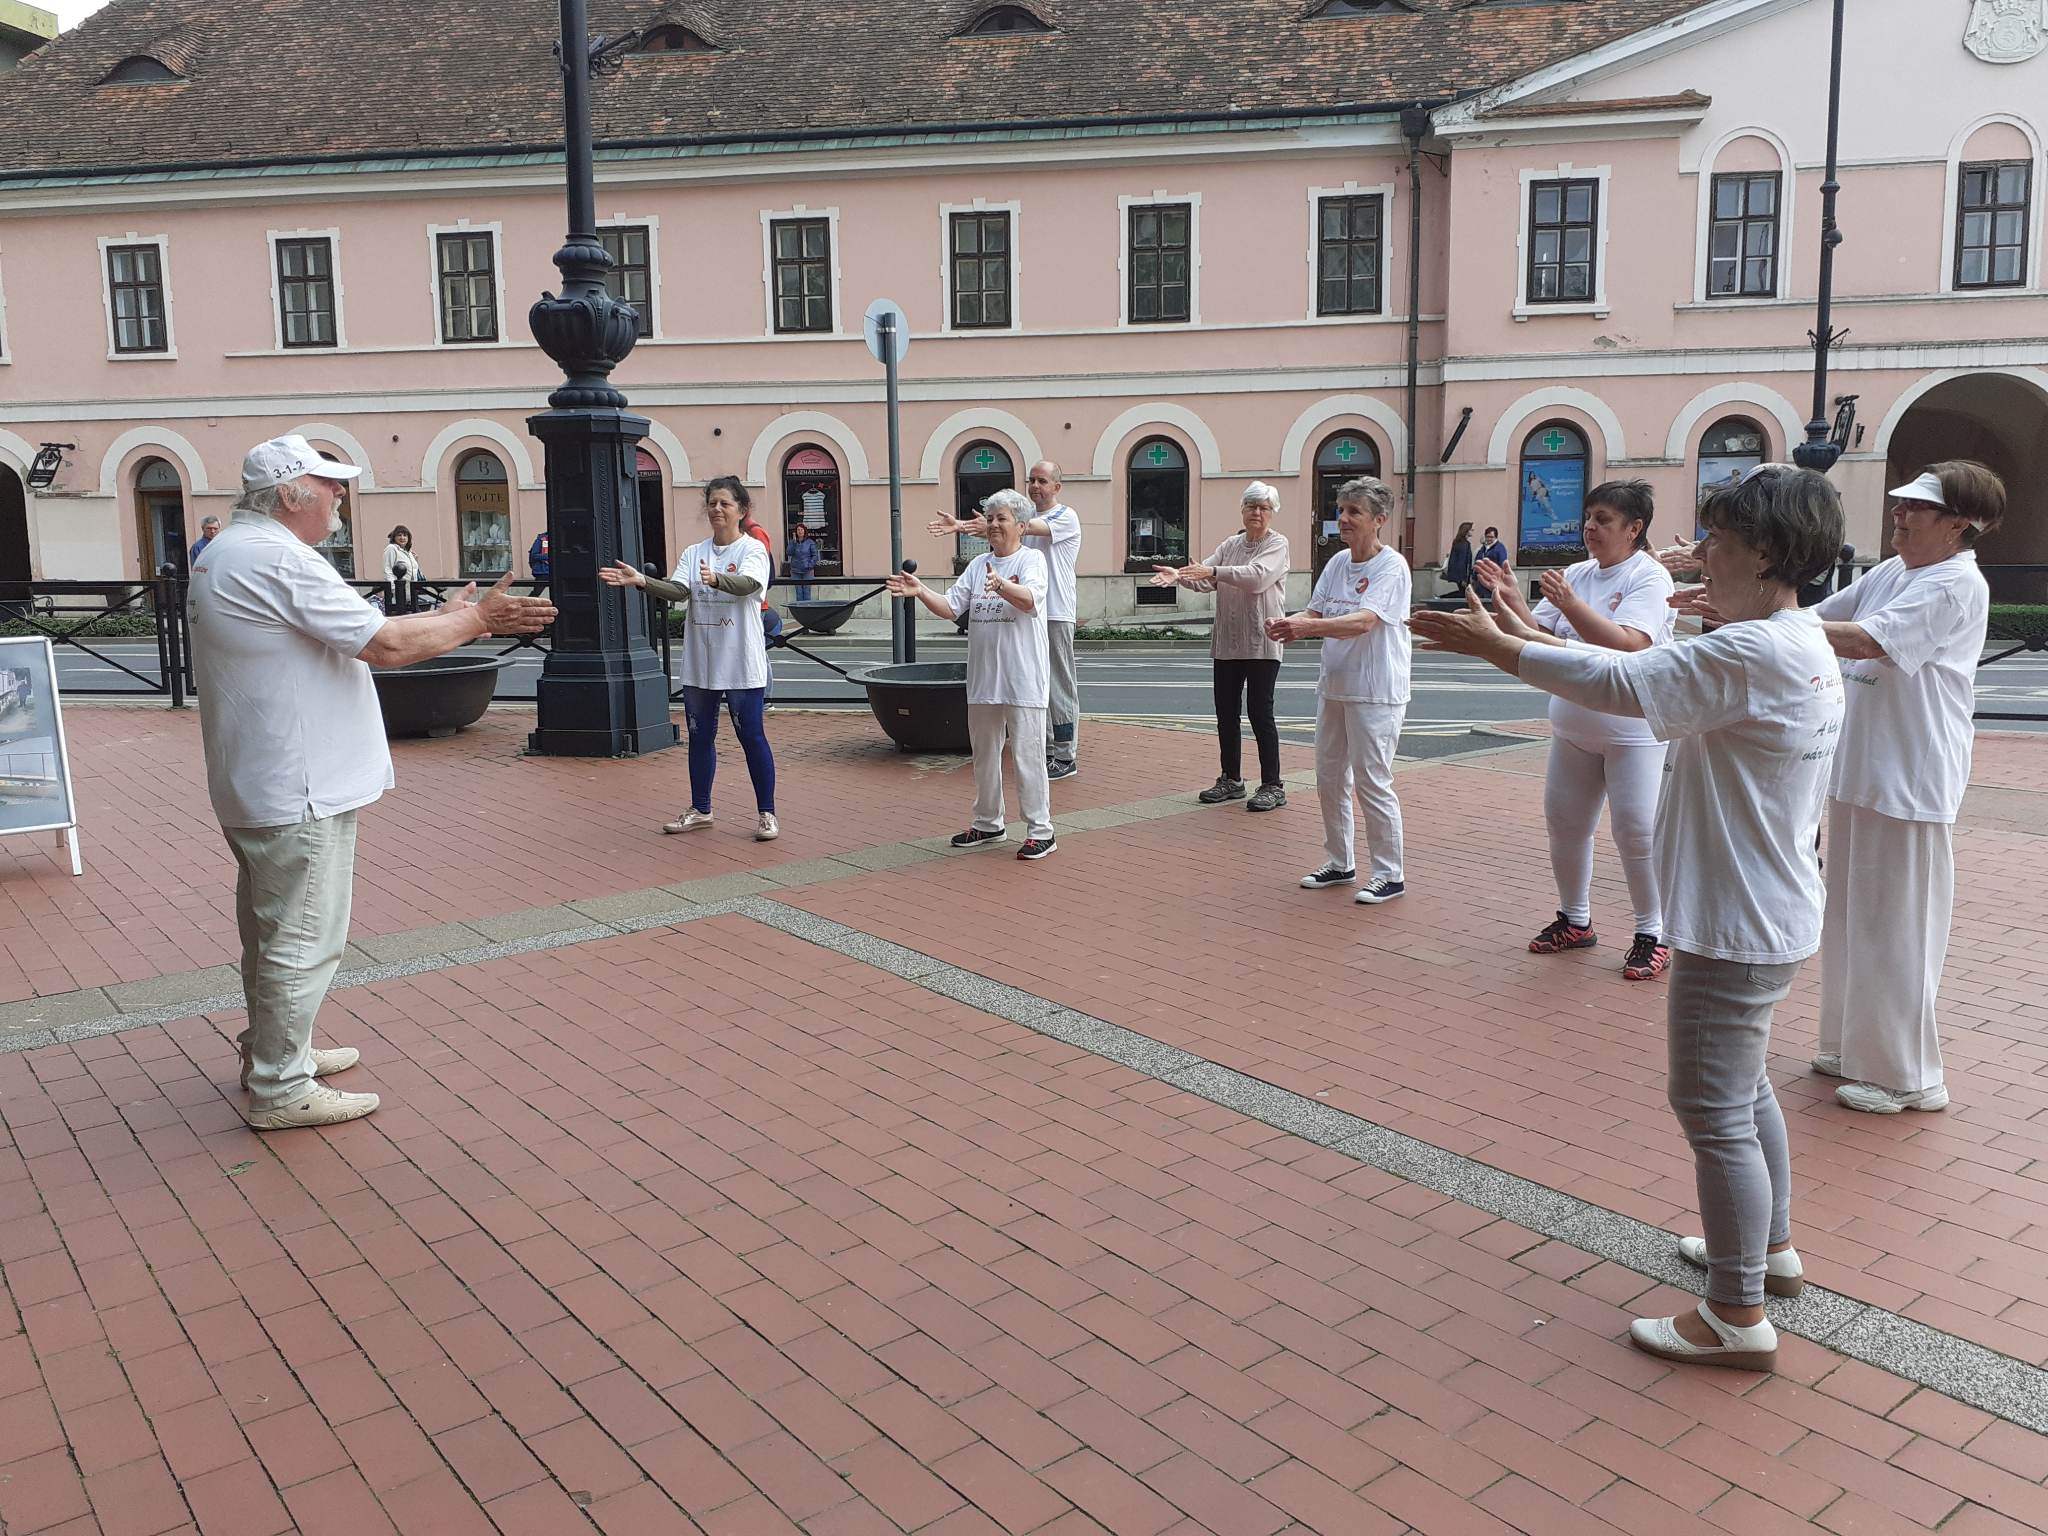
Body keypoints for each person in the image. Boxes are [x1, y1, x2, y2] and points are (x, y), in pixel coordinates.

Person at [1414, 464, 1844, 1373]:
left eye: (1718, 540)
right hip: (1768, 907)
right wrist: (1519, 632)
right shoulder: (1792, 638)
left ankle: (1735, 1313)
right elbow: (1626, 669)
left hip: (1737, 917)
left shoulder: (1752, 651)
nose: (1700, 555)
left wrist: (1495, 645)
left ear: (1766, 552)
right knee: (1744, 1091)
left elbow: (1621, 681)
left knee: (1712, 1106)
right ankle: (1768, 1252)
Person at [188, 436, 556, 1130]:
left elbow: (363, 629)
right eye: (328, 483)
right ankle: (280, 1086)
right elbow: (384, 646)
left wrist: (449, 618)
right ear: (290, 494)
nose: (340, 494)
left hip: (264, 780)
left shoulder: (231, 551)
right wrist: (477, 619)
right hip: (300, 785)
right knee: (302, 939)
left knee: (272, 934)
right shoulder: (278, 558)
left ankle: (273, 1051)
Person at [1813, 464, 2001, 1114]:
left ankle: (1910, 1076)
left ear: (1958, 524)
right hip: (1862, 769)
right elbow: (1819, 617)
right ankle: (1852, 1047)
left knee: (1901, 926)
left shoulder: (1955, 583)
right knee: (1851, 917)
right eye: (1901, 504)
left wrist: (1769, 624)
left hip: (1912, 775)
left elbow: (1867, 641)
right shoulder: (1896, 570)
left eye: (1917, 508)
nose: (1900, 514)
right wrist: (1737, 604)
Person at [1475, 481, 1677, 981]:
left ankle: (1653, 932)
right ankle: (1575, 919)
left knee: (1636, 831)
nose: (1590, 527)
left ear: (1634, 528)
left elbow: (1628, 645)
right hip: (1572, 723)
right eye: (1588, 517)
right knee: (1565, 822)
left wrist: (1569, 605)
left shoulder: (1650, 578)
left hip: (1633, 729)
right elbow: (1538, 637)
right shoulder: (1578, 574)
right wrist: (1510, 600)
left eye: (1604, 519)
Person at [601, 476, 778, 840]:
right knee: (699, 736)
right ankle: (701, 809)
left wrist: (717, 580)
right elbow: (679, 590)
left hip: (740, 661)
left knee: (751, 736)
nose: (717, 509)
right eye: (712, 503)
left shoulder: (753, 550)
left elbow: (750, 585)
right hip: (701, 662)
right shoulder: (694, 552)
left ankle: (767, 814)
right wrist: (642, 581)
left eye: (725, 503)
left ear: (741, 510)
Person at [891, 489, 1055, 860]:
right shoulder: (979, 564)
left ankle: (1040, 830)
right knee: (983, 755)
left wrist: (1003, 586)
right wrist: (921, 591)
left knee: (1027, 754)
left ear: (1021, 526)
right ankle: (988, 823)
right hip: (983, 679)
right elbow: (951, 607)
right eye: (990, 518)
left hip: (1022, 677)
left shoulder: (1032, 560)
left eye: (1001, 518)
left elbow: (1030, 599)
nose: (993, 525)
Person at [1272, 476, 1410, 904]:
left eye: (1354, 512)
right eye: (1341, 510)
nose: (1344, 519)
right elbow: (1315, 611)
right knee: (1329, 778)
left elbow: (1364, 621)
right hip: (1334, 686)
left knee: (1372, 782)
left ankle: (1389, 873)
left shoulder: (1392, 566)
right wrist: (1288, 622)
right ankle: (1340, 861)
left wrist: (1305, 628)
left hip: (1375, 689)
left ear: (1379, 519)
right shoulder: (1336, 563)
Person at [929, 461, 1082, 780]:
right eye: (1031, 480)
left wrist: (969, 524)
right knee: (1034, 683)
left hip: (1054, 611)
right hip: (1021, 613)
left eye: (1042, 481)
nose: (1035, 485)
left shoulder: (1064, 517)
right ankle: (1045, 749)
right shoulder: (1018, 521)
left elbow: (1027, 527)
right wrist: (967, 525)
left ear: (1057, 487)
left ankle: (1065, 754)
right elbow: (1007, 528)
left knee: (1057, 683)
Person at [1152, 481, 1291, 812]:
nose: (1257, 512)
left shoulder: (1278, 544)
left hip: (1261, 642)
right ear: (1242, 510)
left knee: (1260, 713)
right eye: (1251, 506)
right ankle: (1231, 779)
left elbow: (1256, 577)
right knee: (1226, 713)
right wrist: (1179, 576)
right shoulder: (1231, 544)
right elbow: (1205, 579)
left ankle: (1272, 785)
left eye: (1264, 508)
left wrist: (1212, 571)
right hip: (1228, 642)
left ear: (1272, 513)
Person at [383, 525, 422, 612]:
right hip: (399, 592)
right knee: (401, 615)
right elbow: (388, 570)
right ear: (394, 537)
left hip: (411, 592)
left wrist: (415, 560)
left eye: (405, 535)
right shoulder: (391, 549)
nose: (402, 538)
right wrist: (394, 589)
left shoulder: (408, 551)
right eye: (399, 535)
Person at [787, 522, 820, 602]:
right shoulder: (793, 542)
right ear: (796, 532)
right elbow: (789, 553)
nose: (800, 531)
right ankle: (799, 608)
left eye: (801, 530)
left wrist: (809, 565)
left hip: (807, 571)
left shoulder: (810, 542)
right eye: (798, 530)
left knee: (807, 592)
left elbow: (815, 555)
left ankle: (807, 608)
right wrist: (794, 543)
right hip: (795, 571)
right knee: (798, 593)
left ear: (805, 531)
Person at [1443, 521, 1475, 597]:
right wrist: (1463, 579)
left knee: (1463, 594)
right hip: (1461, 576)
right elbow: (1462, 562)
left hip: (1457, 575)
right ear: (1466, 531)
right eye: (1471, 530)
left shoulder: (1458, 542)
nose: (1472, 531)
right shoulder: (1464, 544)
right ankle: (1442, 598)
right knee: (1463, 594)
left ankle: (1441, 598)